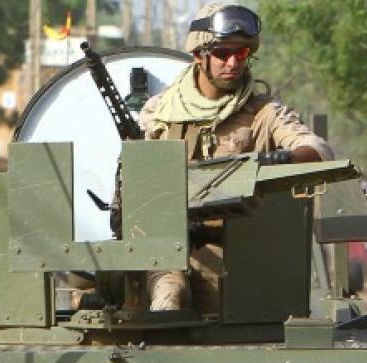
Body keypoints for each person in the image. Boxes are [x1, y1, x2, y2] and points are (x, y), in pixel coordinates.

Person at [140, 3, 333, 312]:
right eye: (222, 53)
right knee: (166, 301)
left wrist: (274, 163)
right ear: (199, 56)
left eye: (241, 54)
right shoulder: (159, 112)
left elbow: (318, 151)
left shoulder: (264, 113)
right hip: (166, 253)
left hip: (237, 265)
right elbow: (138, 186)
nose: (233, 62)